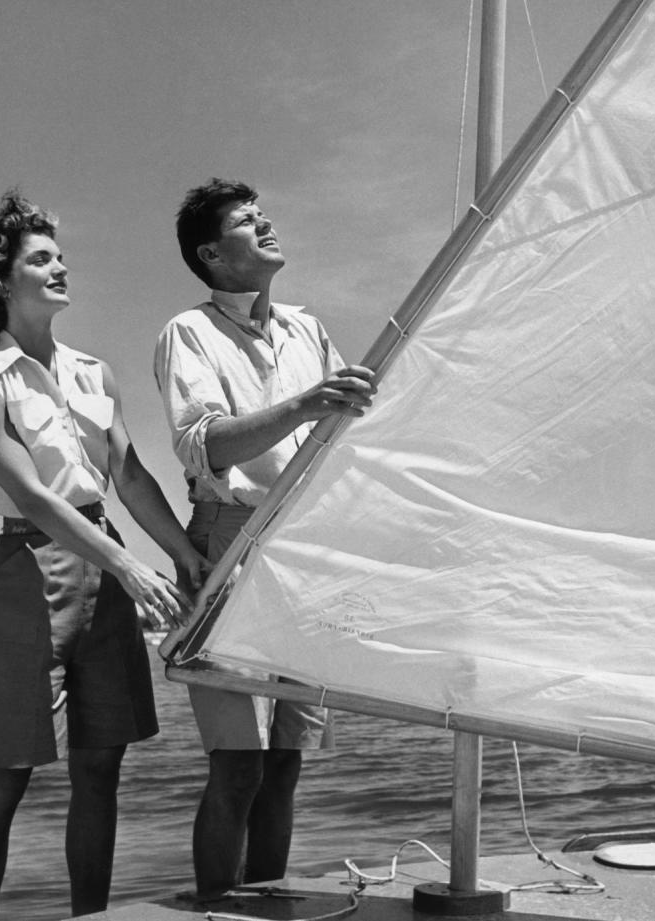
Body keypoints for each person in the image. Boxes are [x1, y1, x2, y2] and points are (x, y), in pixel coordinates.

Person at [0, 190, 207, 921]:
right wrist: (130, 566)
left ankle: (88, 917)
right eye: (41, 258)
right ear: (2, 281)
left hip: (109, 561)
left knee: (102, 766)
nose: (60, 266)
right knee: (6, 770)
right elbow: (32, 498)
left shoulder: (95, 372)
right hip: (29, 570)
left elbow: (128, 477)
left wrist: (183, 554)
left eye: (61, 255)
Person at [154, 178, 378, 896]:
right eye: (249, 222)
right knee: (238, 763)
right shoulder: (188, 333)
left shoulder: (308, 329)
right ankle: (218, 911)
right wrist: (307, 402)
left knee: (287, 763)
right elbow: (207, 445)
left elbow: (350, 431)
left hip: (305, 549)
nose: (267, 224)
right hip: (232, 541)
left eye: (264, 214)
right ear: (213, 254)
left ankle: (268, 907)